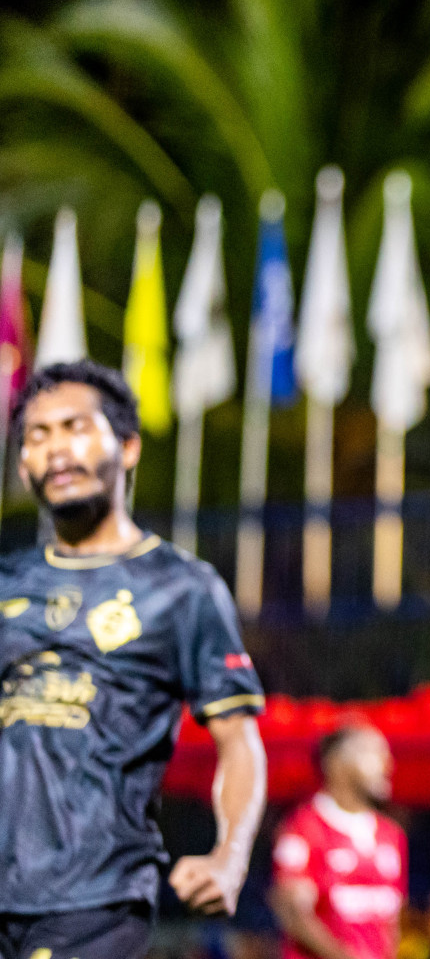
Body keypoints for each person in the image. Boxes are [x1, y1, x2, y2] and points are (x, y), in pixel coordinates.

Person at [0, 360, 266, 959]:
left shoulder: (183, 589)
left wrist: (230, 856)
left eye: (74, 427)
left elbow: (239, 740)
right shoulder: (7, 581)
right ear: (22, 465)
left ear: (127, 446)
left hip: (93, 900)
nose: (55, 449)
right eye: (37, 437)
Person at [271, 725, 407, 959]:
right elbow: (294, 914)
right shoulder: (305, 829)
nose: (387, 764)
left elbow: (391, 922)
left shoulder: (391, 835)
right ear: (336, 764)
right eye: (372, 754)